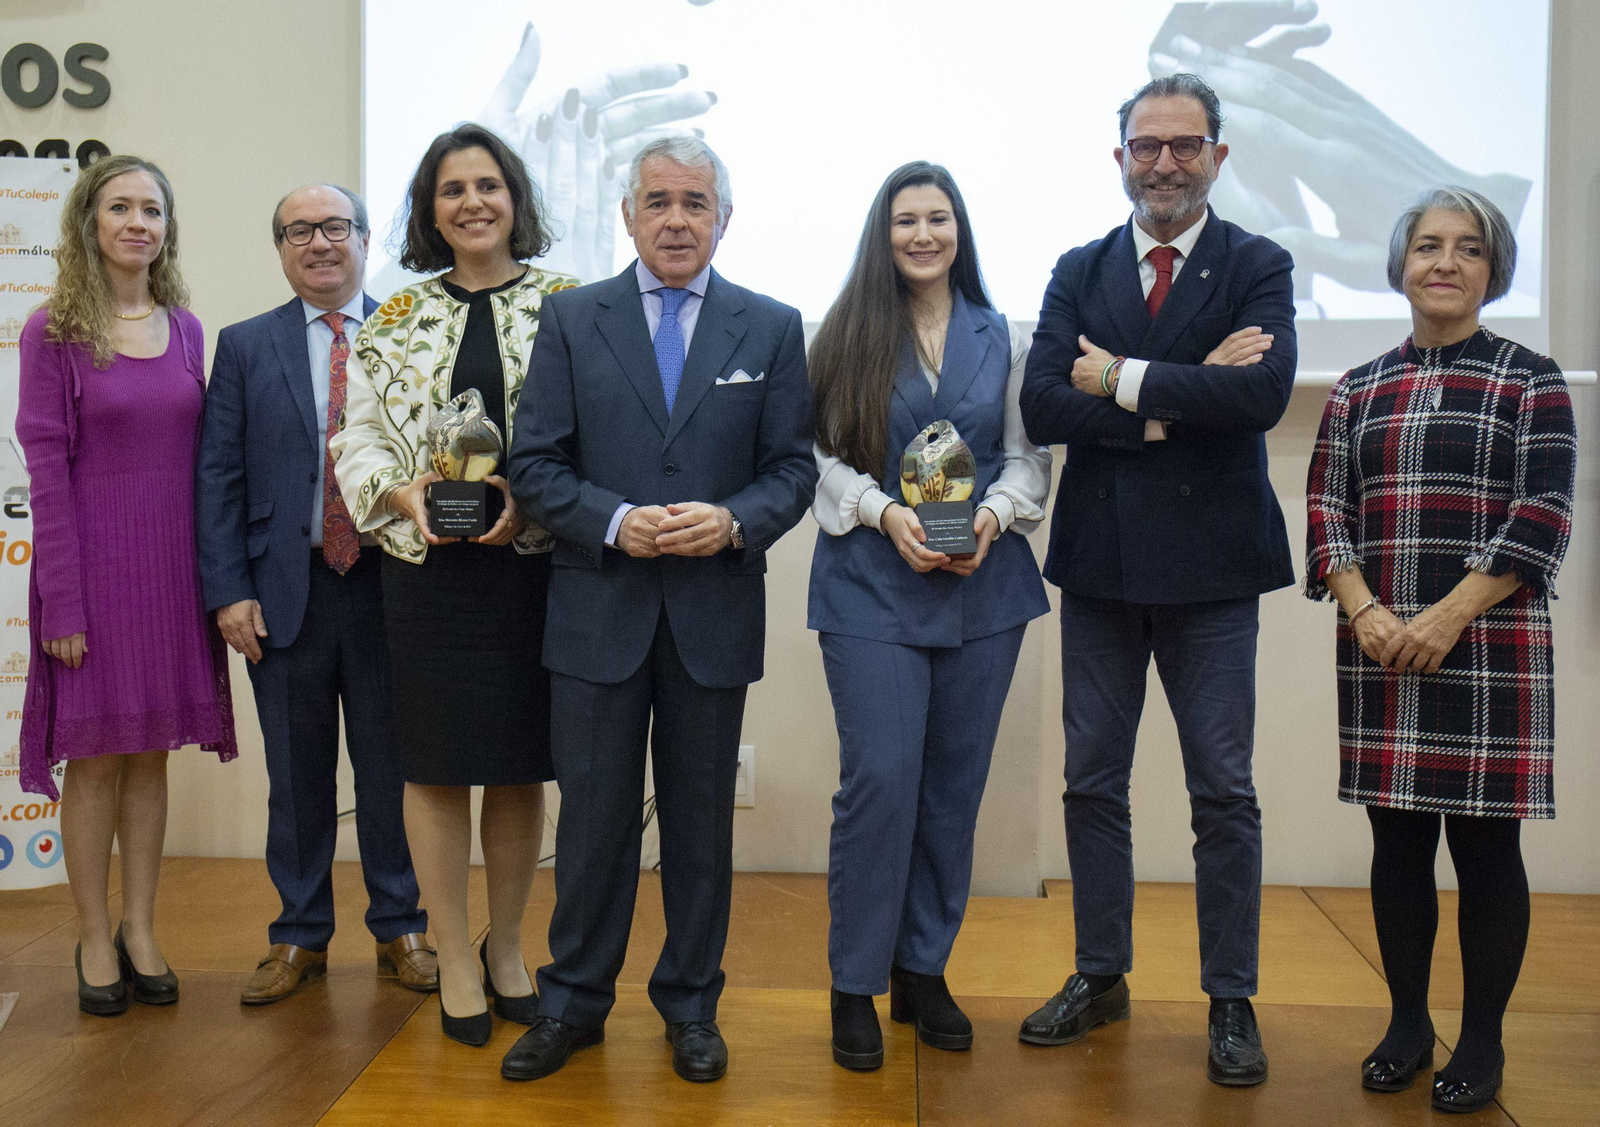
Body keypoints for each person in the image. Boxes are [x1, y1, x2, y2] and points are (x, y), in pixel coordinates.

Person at [504, 136, 815, 1084]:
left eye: (695, 203)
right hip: (597, 612)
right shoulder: (571, 319)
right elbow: (535, 464)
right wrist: (616, 520)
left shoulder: (770, 326)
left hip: (711, 615)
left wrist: (732, 520)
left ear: (724, 218)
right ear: (628, 215)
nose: (676, 219)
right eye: (658, 202)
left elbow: (793, 470)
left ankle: (690, 1006)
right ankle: (573, 1004)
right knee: (593, 821)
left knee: (698, 827)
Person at [1017, 73, 1297, 1087]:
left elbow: (1261, 392)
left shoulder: (1257, 262)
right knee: (1092, 780)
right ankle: (1101, 973)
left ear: (1218, 156)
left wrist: (1119, 378)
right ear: (1121, 158)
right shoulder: (1076, 267)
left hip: (1215, 572)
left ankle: (1230, 996)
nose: (1165, 162)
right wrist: (1177, 401)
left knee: (1222, 789)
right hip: (1100, 565)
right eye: (1147, 146)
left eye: (1185, 145)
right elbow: (1045, 402)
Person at [1304, 187, 1574, 1115]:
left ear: (1493, 270)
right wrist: (1366, 610)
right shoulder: (1358, 387)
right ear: (1401, 265)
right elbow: (1326, 510)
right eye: (1427, 246)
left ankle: (1484, 1037)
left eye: (1467, 248)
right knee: (1397, 841)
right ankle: (1409, 1021)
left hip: (1487, 646)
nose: (1445, 262)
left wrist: (1447, 615)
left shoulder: (1532, 379)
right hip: (1379, 646)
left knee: (1488, 848)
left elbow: (1540, 518)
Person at [330, 124, 580, 1047]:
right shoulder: (391, 317)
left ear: (515, 197)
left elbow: (594, 438)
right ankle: (454, 954)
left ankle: (508, 947)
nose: (472, 202)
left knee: (518, 767)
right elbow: (353, 438)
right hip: (426, 576)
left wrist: (540, 503)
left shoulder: (573, 306)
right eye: (451, 190)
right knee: (433, 767)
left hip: (532, 570)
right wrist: (400, 490)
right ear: (430, 211)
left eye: (487, 185)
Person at [806, 161, 1050, 1070]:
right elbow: (822, 458)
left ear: (960, 231)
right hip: (872, 582)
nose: (922, 234)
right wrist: (887, 515)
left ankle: (922, 968)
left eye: (937, 218)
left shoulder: (1005, 336)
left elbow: (1028, 459)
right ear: (884, 233)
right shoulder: (843, 334)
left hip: (984, 588)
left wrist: (991, 516)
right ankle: (854, 983)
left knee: (953, 790)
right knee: (880, 783)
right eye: (905, 219)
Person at [196, 185, 435, 1006]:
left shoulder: (408, 334)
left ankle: (401, 925)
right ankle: (299, 936)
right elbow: (218, 476)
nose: (319, 243)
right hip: (284, 593)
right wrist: (227, 590)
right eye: (300, 231)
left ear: (367, 240)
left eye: (335, 227)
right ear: (282, 248)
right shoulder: (244, 346)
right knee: (296, 778)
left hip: (389, 586)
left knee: (389, 769)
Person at [14, 155, 237, 1016]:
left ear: (167, 228)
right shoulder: (50, 332)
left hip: (172, 576)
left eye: (153, 208)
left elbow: (205, 463)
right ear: (88, 223)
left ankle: (143, 928)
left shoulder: (186, 329)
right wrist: (61, 601)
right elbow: (46, 473)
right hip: (93, 580)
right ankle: (95, 932)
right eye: (120, 207)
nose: (138, 221)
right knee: (98, 765)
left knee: (149, 758)